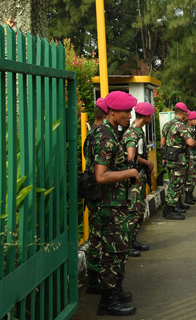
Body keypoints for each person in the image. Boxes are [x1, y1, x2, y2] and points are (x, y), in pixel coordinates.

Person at [91, 91, 139, 316]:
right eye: (125, 112)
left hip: (114, 203)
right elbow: (101, 175)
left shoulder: (109, 132)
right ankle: (108, 301)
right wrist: (129, 172)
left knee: (118, 251)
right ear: (112, 112)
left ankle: (116, 292)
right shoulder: (105, 137)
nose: (129, 116)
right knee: (112, 252)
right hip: (109, 206)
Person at [121, 102, 155, 258]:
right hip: (133, 179)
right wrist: (147, 163)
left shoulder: (138, 131)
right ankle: (126, 245)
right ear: (146, 116)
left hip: (139, 177)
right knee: (134, 211)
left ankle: (132, 240)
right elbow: (131, 155)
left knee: (139, 210)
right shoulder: (133, 133)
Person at [83, 97, 109, 294]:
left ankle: (94, 278)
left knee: (96, 236)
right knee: (99, 237)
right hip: (99, 193)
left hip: (93, 191)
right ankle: (96, 280)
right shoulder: (100, 135)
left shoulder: (90, 134)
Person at [161, 102, 196, 219]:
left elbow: (162, 142)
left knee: (173, 182)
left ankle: (174, 206)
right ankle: (169, 210)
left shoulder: (167, 124)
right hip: (179, 159)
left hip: (170, 157)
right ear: (183, 113)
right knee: (177, 184)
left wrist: (164, 157)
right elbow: (190, 142)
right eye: (187, 114)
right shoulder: (180, 125)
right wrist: (193, 144)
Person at [184, 111, 196, 205]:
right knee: (190, 176)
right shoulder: (187, 130)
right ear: (189, 120)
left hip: (195, 154)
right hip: (190, 155)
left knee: (195, 176)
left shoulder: (194, 129)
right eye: (194, 119)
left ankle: (191, 195)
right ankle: (187, 196)